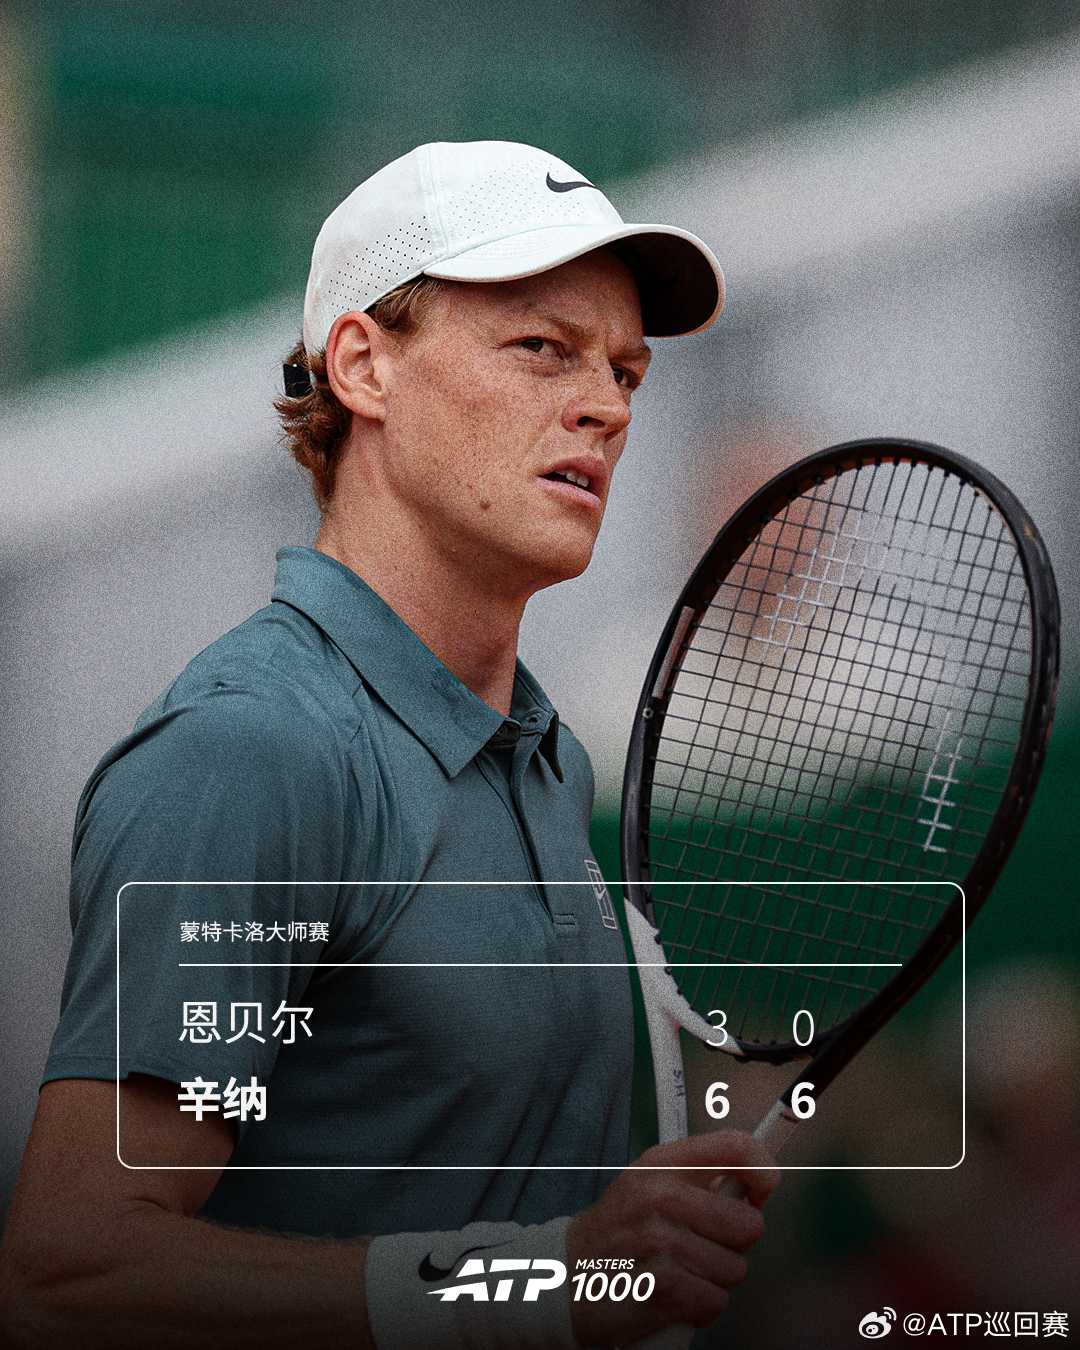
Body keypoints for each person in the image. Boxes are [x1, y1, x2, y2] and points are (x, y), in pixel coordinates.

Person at [0, 140, 779, 1349]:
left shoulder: (549, 755)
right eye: (543, 348)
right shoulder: (251, 750)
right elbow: (69, 1277)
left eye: (626, 368)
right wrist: (543, 1280)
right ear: (363, 366)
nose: (610, 405)